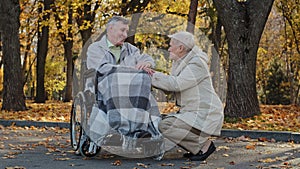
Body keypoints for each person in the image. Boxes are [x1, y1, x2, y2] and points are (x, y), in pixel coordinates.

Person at [148, 31, 224, 161]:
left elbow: (177, 84)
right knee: (166, 121)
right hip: (193, 111)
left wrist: (152, 76)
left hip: (205, 112)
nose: (168, 48)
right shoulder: (181, 62)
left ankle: (205, 145)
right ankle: (197, 148)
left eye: (171, 45)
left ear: (180, 48)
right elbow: (171, 86)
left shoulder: (196, 64)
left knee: (166, 125)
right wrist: (152, 76)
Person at [86, 16, 154, 71]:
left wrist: (146, 63)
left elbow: (146, 58)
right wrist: (132, 70)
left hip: (127, 87)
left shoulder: (131, 49)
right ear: (110, 29)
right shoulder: (95, 48)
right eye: (122, 30)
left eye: (127, 31)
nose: (125, 35)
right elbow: (103, 69)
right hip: (102, 87)